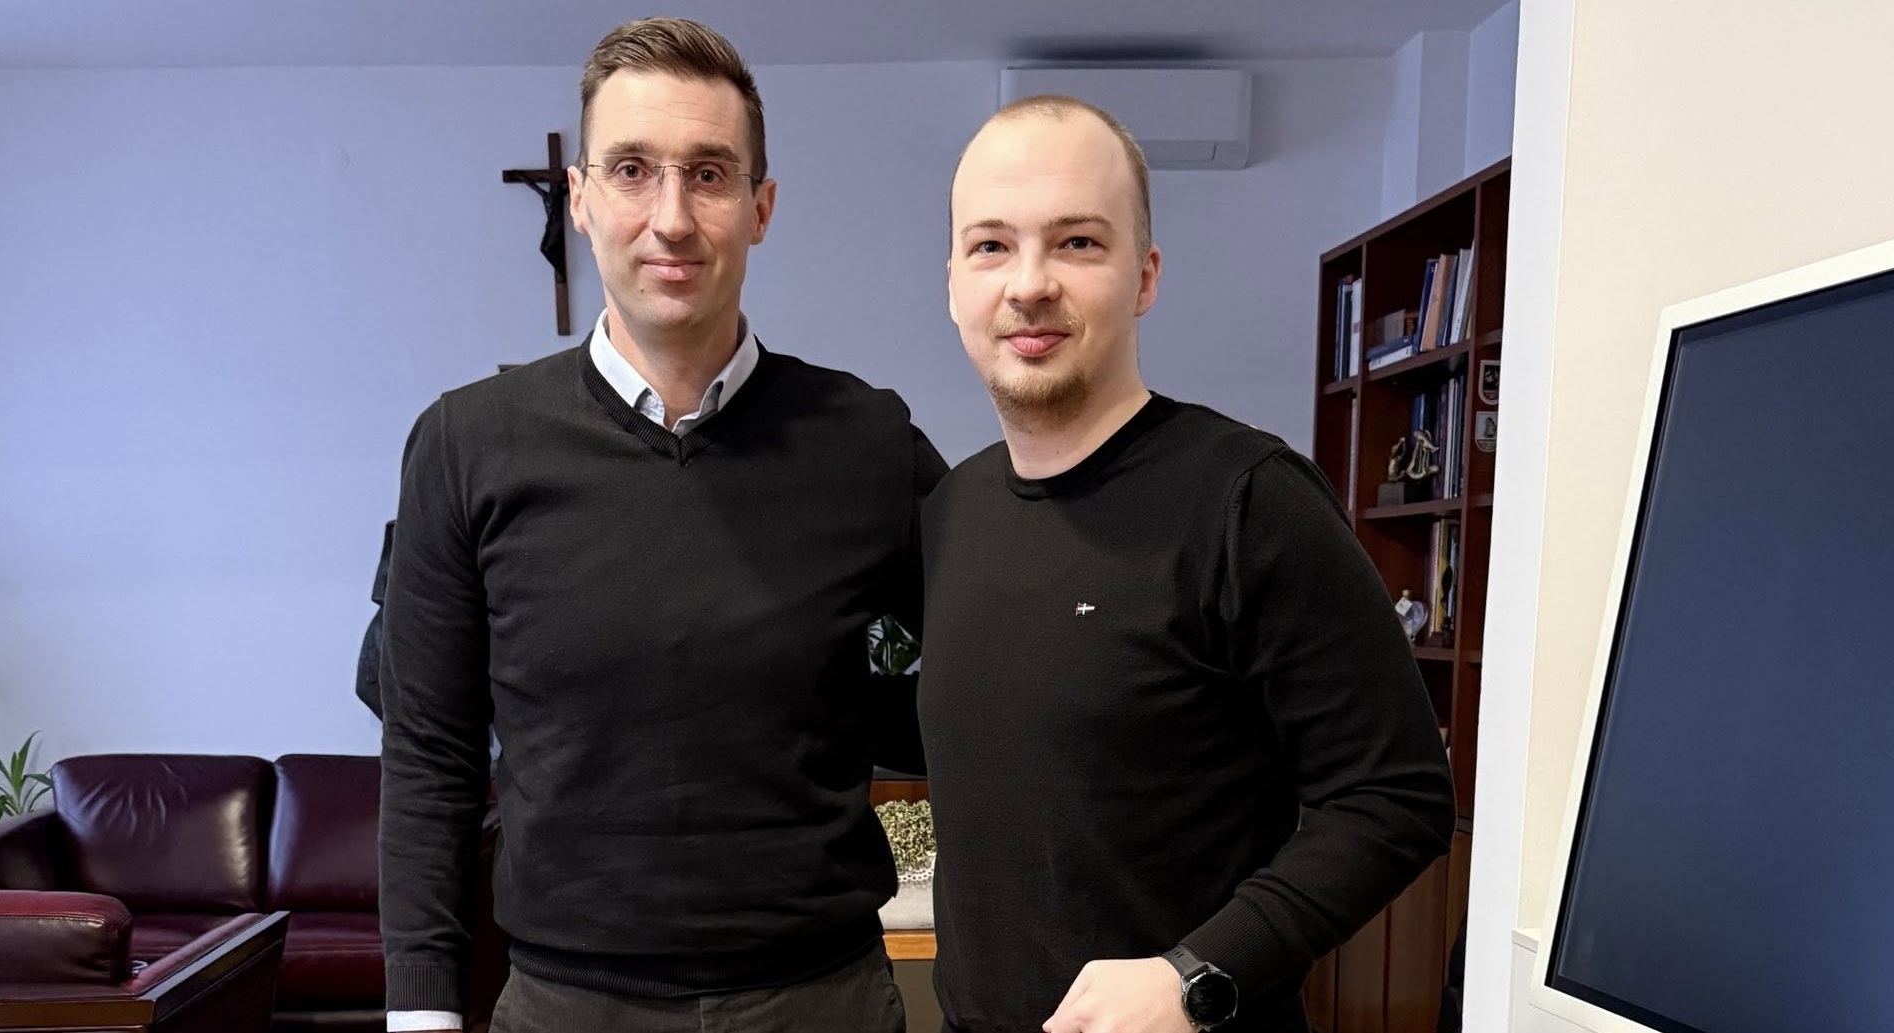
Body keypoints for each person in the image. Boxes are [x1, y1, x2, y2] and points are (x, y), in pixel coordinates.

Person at [378, 18, 943, 1033]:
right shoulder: (466, 445)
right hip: (566, 1003)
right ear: (581, 198)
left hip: (821, 1000)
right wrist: (421, 1012)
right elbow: (430, 751)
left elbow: (945, 687)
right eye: (632, 171)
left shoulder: (870, 444)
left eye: (709, 174)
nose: (671, 218)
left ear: (760, 208)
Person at [919, 95, 1456, 1033]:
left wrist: (1194, 974)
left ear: (1145, 275)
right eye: (991, 245)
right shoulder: (950, 511)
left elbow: (1395, 795)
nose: (1030, 284)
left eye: (1078, 242)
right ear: (955, 281)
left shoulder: (1250, 500)